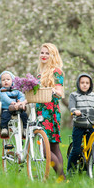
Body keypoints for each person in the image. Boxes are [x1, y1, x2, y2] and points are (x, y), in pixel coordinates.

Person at [35, 43, 66, 180]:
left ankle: (62, 177)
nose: (44, 55)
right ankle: (62, 179)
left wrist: (53, 90)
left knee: (47, 149)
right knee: (53, 147)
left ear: (53, 55)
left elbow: (60, 92)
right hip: (41, 113)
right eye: (42, 52)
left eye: (47, 53)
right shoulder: (39, 74)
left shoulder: (56, 72)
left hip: (50, 112)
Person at [0, 71, 28, 138]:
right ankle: (4, 129)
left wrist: (20, 101)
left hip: (17, 107)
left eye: (8, 79)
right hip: (7, 108)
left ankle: (25, 128)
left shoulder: (16, 89)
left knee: (24, 115)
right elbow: (5, 98)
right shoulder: (2, 90)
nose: (6, 81)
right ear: (1, 82)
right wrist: (13, 102)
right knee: (4, 116)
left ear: (12, 81)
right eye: (3, 80)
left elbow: (21, 95)